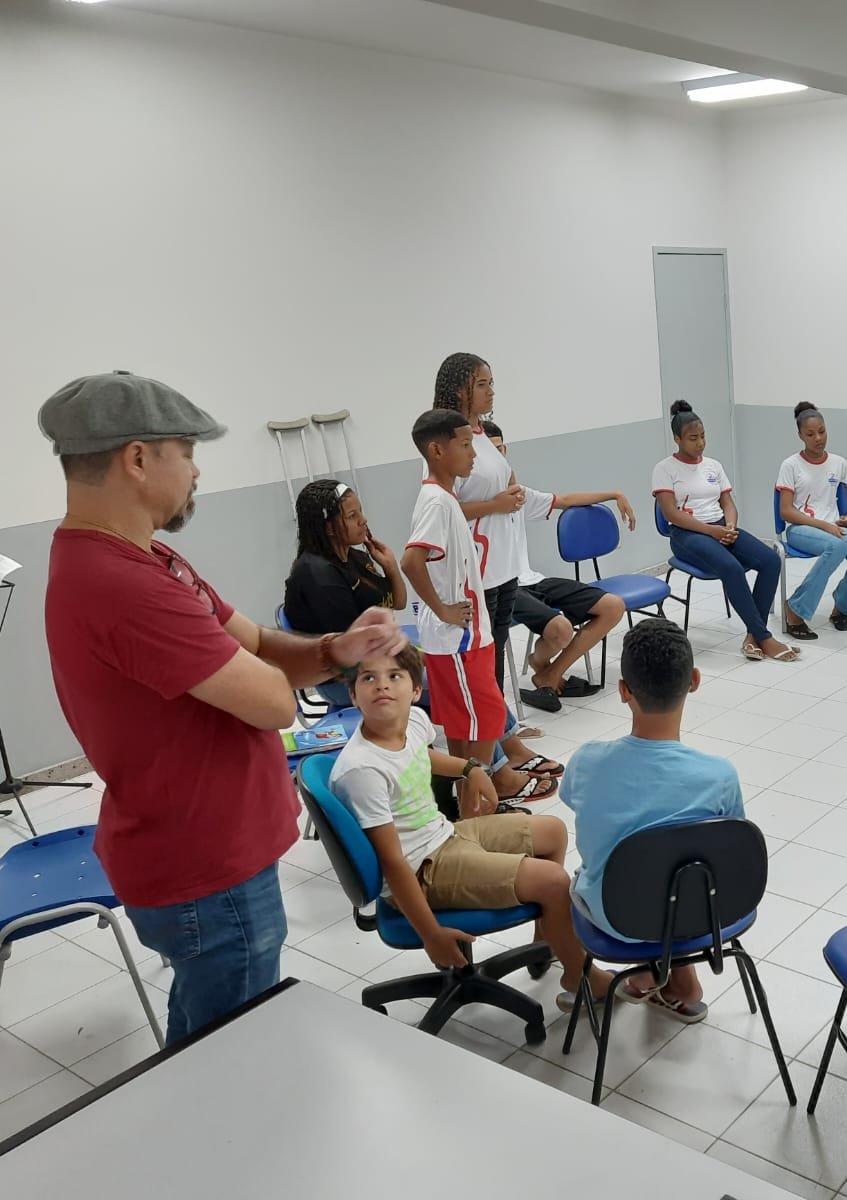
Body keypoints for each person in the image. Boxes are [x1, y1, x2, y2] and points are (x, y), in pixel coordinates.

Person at [40, 371, 407, 1042]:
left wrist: (337, 648)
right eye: (187, 451)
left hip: (209, 854)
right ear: (138, 458)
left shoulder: (149, 558)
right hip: (205, 869)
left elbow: (258, 643)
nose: (197, 469)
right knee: (230, 1052)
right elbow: (273, 702)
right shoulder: (121, 584)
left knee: (204, 1035)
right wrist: (275, 672)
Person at [329, 646, 610, 1007]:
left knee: (553, 831)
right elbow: (393, 863)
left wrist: (470, 768)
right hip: (420, 869)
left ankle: (547, 940)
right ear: (353, 695)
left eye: (394, 676)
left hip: (443, 834)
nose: (382, 685)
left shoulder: (413, 721)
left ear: (415, 690)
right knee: (553, 882)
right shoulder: (362, 770)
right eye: (368, 678)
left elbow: (421, 755)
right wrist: (430, 934)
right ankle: (578, 975)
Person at [561, 618, 744, 1022]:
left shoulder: (587, 761)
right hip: (702, 918)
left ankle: (646, 973)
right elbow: (728, 847)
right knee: (677, 867)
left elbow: (577, 804)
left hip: (616, 918)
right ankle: (675, 979)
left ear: (623, 690)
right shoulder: (719, 775)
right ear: (694, 681)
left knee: (597, 873)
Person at [401, 408, 552, 812]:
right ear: (437, 450)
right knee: (485, 722)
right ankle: (478, 810)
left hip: (461, 637)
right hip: (458, 639)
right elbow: (411, 561)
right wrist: (443, 610)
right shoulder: (436, 501)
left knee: (463, 725)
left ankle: (470, 812)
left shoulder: (445, 498)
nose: (473, 454)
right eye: (466, 445)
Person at [430, 355, 550, 773]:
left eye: (491, 383)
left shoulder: (482, 435)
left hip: (502, 565)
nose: (491, 391)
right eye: (482, 384)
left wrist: (512, 495)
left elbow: (506, 487)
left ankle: (499, 751)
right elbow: (446, 507)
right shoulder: (446, 439)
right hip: (474, 572)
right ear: (459, 389)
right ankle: (490, 765)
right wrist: (497, 504)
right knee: (481, 673)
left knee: (494, 662)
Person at [477, 418, 631, 711]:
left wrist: (615, 494)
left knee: (613, 606)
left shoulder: (519, 494)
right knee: (561, 629)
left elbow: (565, 500)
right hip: (502, 586)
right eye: (489, 453)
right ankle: (541, 665)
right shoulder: (477, 503)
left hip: (532, 580)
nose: (497, 459)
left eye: (500, 450)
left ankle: (548, 673)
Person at [652, 400, 793, 662]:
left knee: (771, 560)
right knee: (731, 567)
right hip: (686, 535)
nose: (700, 443)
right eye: (693, 438)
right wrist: (711, 532)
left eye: (703, 436)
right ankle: (764, 637)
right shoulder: (664, 469)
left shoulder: (713, 466)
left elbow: (727, 503)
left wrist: (729, 526)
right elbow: (671, 514)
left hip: (719, 527)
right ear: (677, 439)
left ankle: (753, 636)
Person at [282, 478, 407, 708]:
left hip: (372, 664)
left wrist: (390, 567)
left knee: (445, 675)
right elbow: (353, 653)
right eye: (352, 516)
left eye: (360, 511)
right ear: (328, 527)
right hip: (344, 681)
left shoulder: (356, 557)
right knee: (442, 684)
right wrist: (414, 663)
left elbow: (398, 603)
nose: (363, 520)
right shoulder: (319, 577)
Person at [776, 402, 847, 639]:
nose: (818, 438)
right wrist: (824, 525)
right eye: (810, 434)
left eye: (822, 431)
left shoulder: (839, 463)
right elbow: (786, 511)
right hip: (801, 529)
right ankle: (795, 609)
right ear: (800, 435)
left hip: (834, 529)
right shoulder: (790, 465)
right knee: (836, 546)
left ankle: (841, 608)